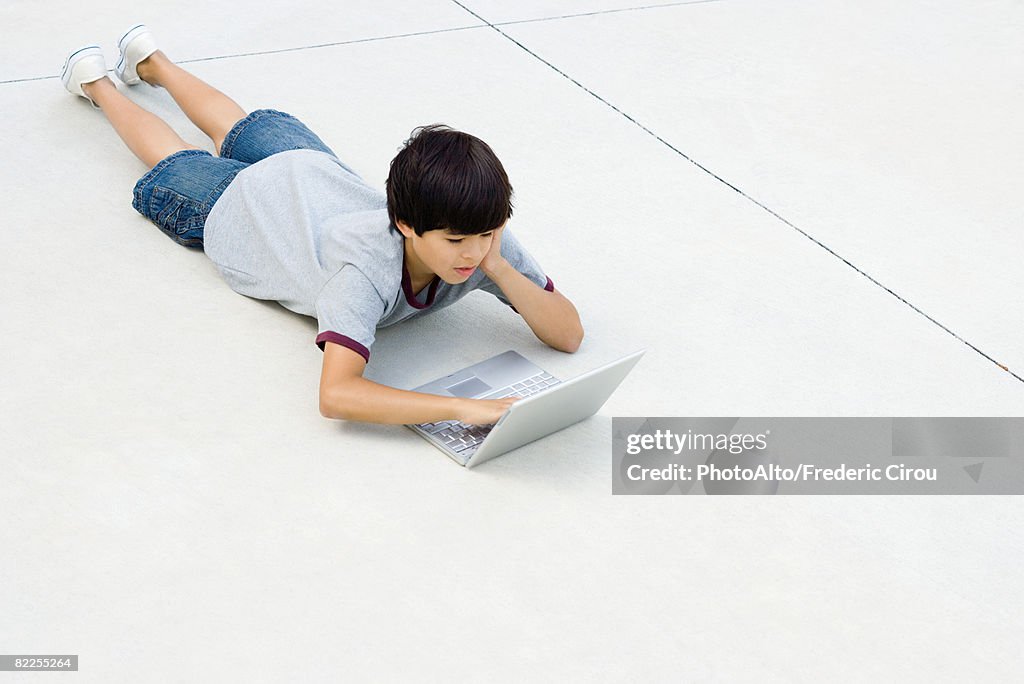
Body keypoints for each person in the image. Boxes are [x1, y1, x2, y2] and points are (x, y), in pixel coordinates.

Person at [61, 25, 584, 427]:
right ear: (404, 223)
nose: (472, 254)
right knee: (173, 157)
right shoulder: (363, 275)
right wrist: (463, 410)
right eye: (455, 242)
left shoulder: (478, 231)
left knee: (237, 126)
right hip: (247, 210)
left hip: (313, 171)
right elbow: (337, 395)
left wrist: (503, 269)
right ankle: (99, 86)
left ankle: (153, 62)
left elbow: (568, 335)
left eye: (487, 235)